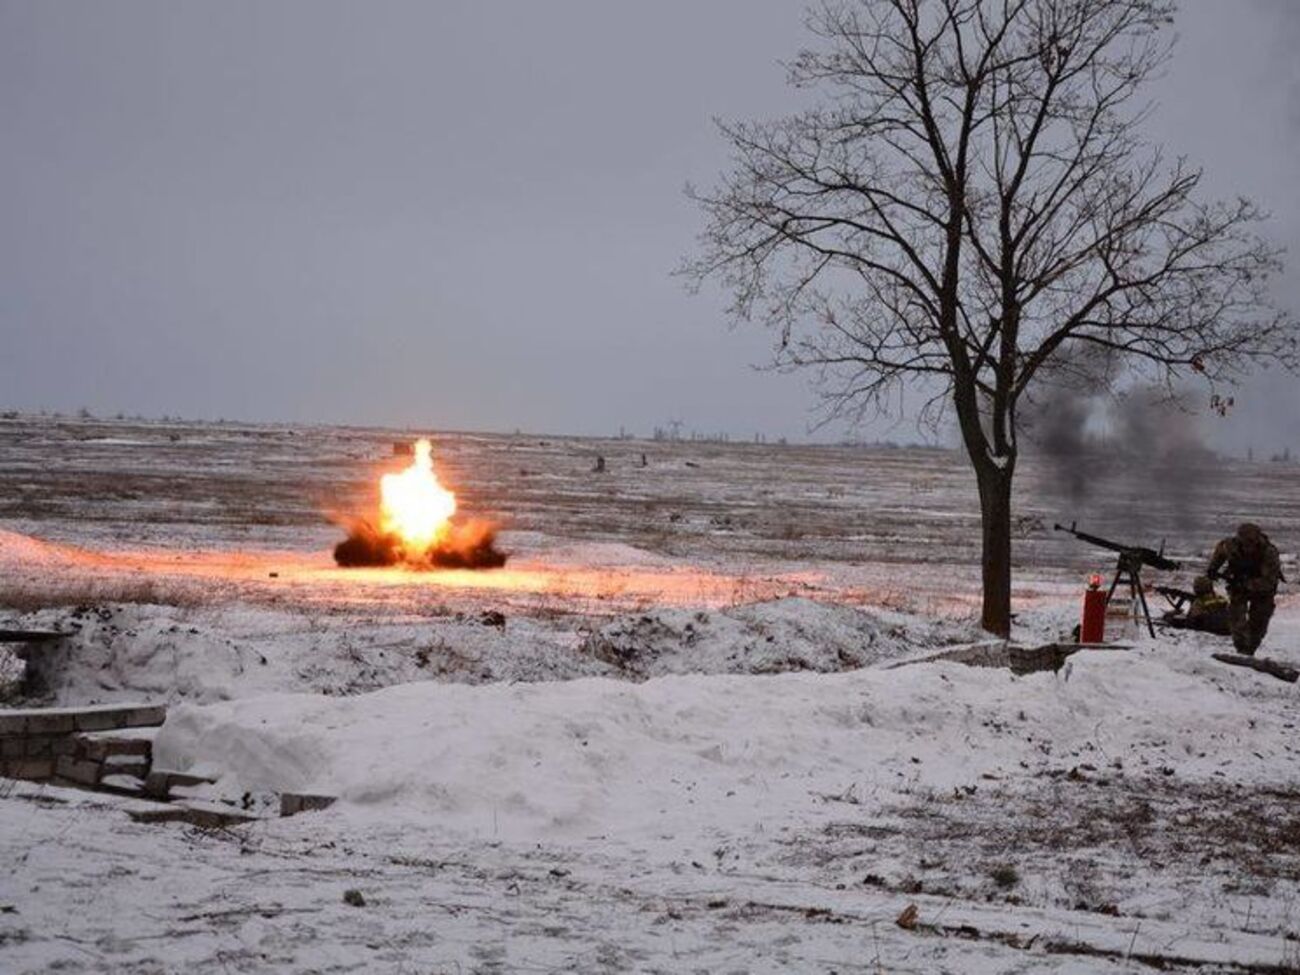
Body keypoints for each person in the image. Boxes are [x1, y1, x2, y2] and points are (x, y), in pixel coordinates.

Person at [1206, 523, 1282, 656]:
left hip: (1263, 591)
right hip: (1238, 586)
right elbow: (1220, 553)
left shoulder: (1269, 553)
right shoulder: (1230, 545)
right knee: (1236, 618)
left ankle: (1250, 649)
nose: (1247, 546)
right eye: (1244, 542)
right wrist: (1213, 569)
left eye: (1250, 542)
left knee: (1259, 623)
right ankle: (1241, 650)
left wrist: (1247, 584)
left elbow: (1269, 581)